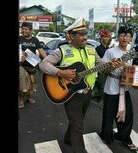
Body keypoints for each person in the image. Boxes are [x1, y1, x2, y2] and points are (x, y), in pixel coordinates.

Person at [39, 17, 122, 153]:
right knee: (78, 127)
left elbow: (101, 65)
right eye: (81, 34)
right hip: (71, 94)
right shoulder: (62, 50)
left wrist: (111, 65)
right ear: (72, 36)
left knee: (77, 120)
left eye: (85, 34)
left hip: (87, 93)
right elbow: (43, 64)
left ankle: (68, 137)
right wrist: (60, 72)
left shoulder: (91, 50)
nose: (85, 37)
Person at [99, 25, 138, 152]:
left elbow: (131, 71)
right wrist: (114, 66)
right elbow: (103, 70)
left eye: (128, 36)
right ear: (118, 36)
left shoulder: (131, 52)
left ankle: (125, 137)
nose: (125, 38)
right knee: (109, 114)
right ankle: (107, 136)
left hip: (124, 88)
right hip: (111, 86)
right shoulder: (110, 52)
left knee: (128, 114)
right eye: (122, 35)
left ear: (131, 38)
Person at [19, 22, 47, 108]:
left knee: (32, 84)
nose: (24, 31)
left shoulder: (35, 40)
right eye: (22, 29)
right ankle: (20, 100)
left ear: (31, 30)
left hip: (33, 65)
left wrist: (47, 61)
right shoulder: (19, 38)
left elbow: (41, 51)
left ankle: (29, 97)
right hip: (21, 65)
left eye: (26, 29)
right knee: (22, 84)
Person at [92, 29, 111, 103]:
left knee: (108, 87)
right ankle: (102, 102)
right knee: (102, 87)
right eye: (104, 37)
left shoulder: (109, 49)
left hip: (108, 70)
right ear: (101, 38)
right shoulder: (98, 48)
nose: (106, 38)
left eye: (107, 37)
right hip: (101, 71)